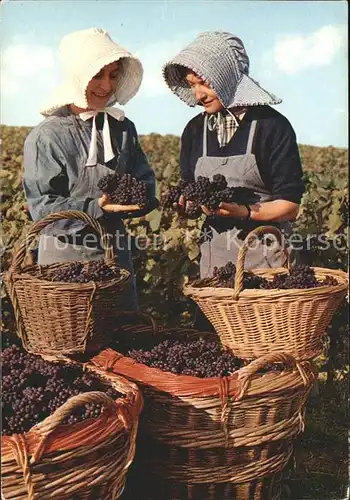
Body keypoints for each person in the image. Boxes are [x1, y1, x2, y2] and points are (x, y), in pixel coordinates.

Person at [23, 27, 157, 310]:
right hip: (65, 256)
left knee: (121, 335)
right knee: (73, 340)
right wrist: (97, 207)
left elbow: (144, 181)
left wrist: (140, 200)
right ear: (76, 76)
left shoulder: (123, 128)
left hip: (115, 252)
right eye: (97, 75)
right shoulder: (48, 136)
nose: (106, 86)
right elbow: (42, 207)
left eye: (113, 75)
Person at [162, 31, 305, 278]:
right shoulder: (195, 130)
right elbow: (189, 187)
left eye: (204, 83)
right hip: (215, 261)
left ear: (226, 76)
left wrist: (245, 211)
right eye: (192, 84)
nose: (198, 94)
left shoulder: (271, 126)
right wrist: (187, 204)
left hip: (265, 261)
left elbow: (290, 206)